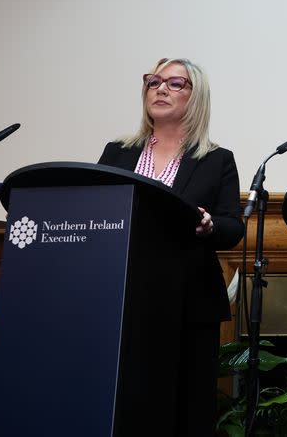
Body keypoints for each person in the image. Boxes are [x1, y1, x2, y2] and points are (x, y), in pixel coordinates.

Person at [98, 57, 243, 436]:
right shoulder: (117, 153)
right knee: (127, 403)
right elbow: (95, 211)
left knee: (188, 408)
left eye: (175, 83)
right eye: (154, 81)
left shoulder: (216, 159)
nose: (160, 89)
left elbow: (232, 227)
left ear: (196, 97)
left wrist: (210, 225)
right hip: (125, 299)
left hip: (188, 301)